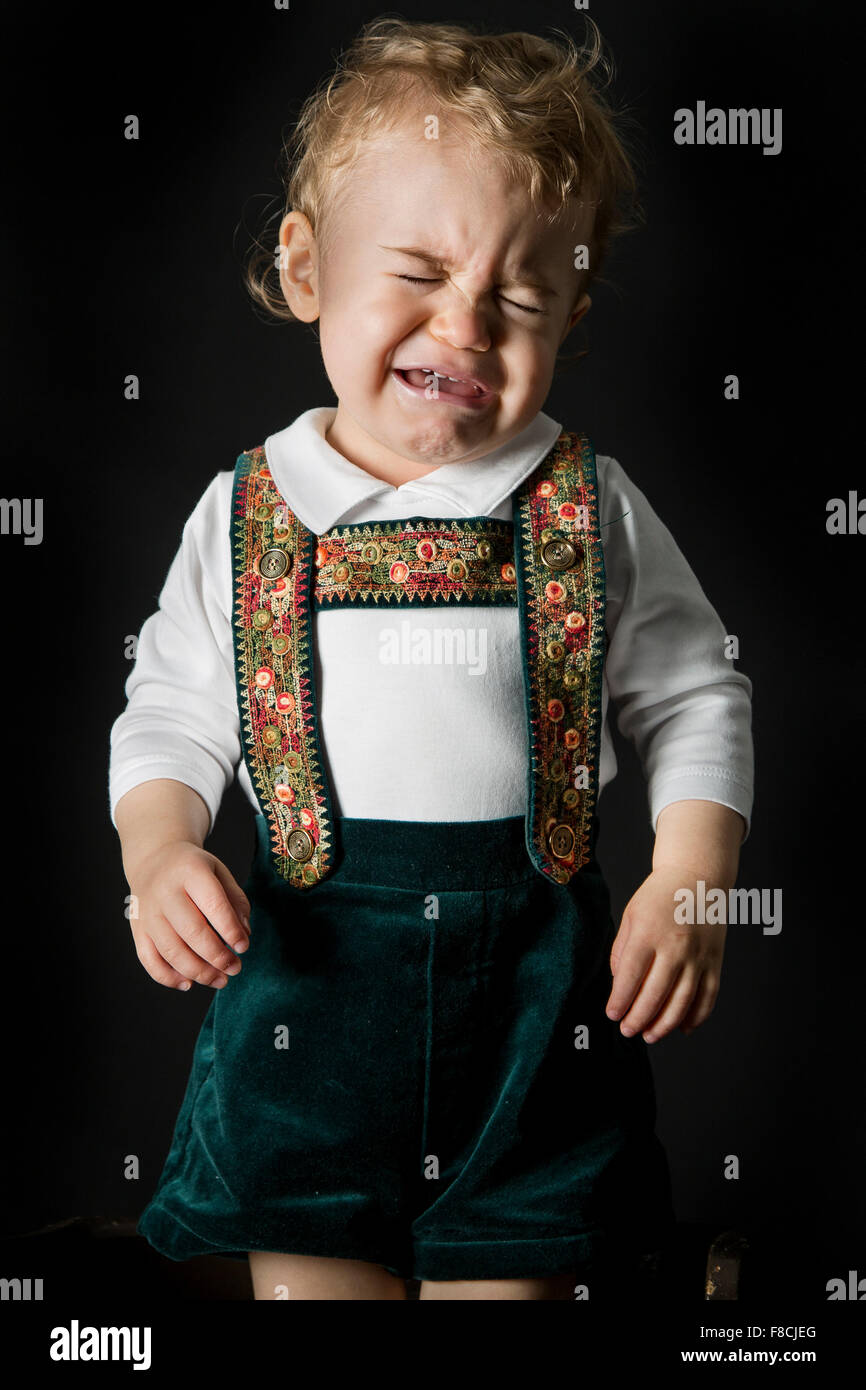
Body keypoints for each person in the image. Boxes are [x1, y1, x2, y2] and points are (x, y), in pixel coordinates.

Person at [109, 17, 753, 1301]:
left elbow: (694, 694)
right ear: (304, 268)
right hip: (308, 996)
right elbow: (173, 710)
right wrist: (158, 849)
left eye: (518, 299)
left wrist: (690, 872)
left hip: (533, 1007)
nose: (463, 325)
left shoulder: (586, 505)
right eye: (416, 270)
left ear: (566, 318)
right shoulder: (246, 514)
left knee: (509, 1284)